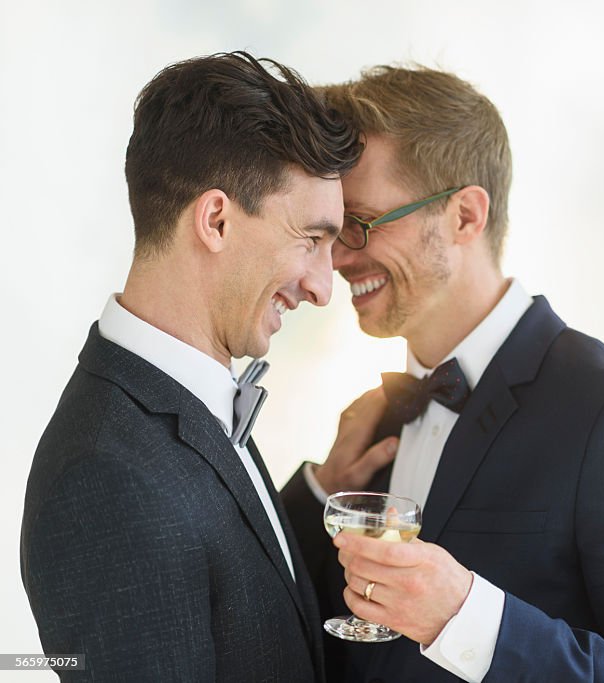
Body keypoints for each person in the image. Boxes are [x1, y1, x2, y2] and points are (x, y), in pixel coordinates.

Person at [280, 66, 604, 682]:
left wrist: (464, 618)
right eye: (328, 233)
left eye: (360, 224)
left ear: (465, 215)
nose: (338, 261)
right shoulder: (373, 420)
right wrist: (319, 493)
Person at [20, 52, 366, 681]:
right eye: (312, 240)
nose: (323, 287)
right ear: (216, 220)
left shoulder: (180, 400)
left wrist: (320, 492)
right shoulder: (105, 475)